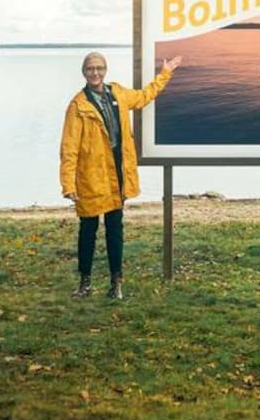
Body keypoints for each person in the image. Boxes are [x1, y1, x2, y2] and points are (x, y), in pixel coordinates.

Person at [59, 52, 182, 299]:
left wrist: (165, 73)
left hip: (117, 176)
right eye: (90, 69)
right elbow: (69, 148)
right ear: (84, 72)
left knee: (115, 230)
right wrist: (68, 183)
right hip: (90, 178)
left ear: (105, 70)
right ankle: (85, 282)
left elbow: (144, 96)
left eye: (99, 68)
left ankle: (116, 283)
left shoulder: (118, 93)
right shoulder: (78, 105)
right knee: (88, 231)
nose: (95, 73)